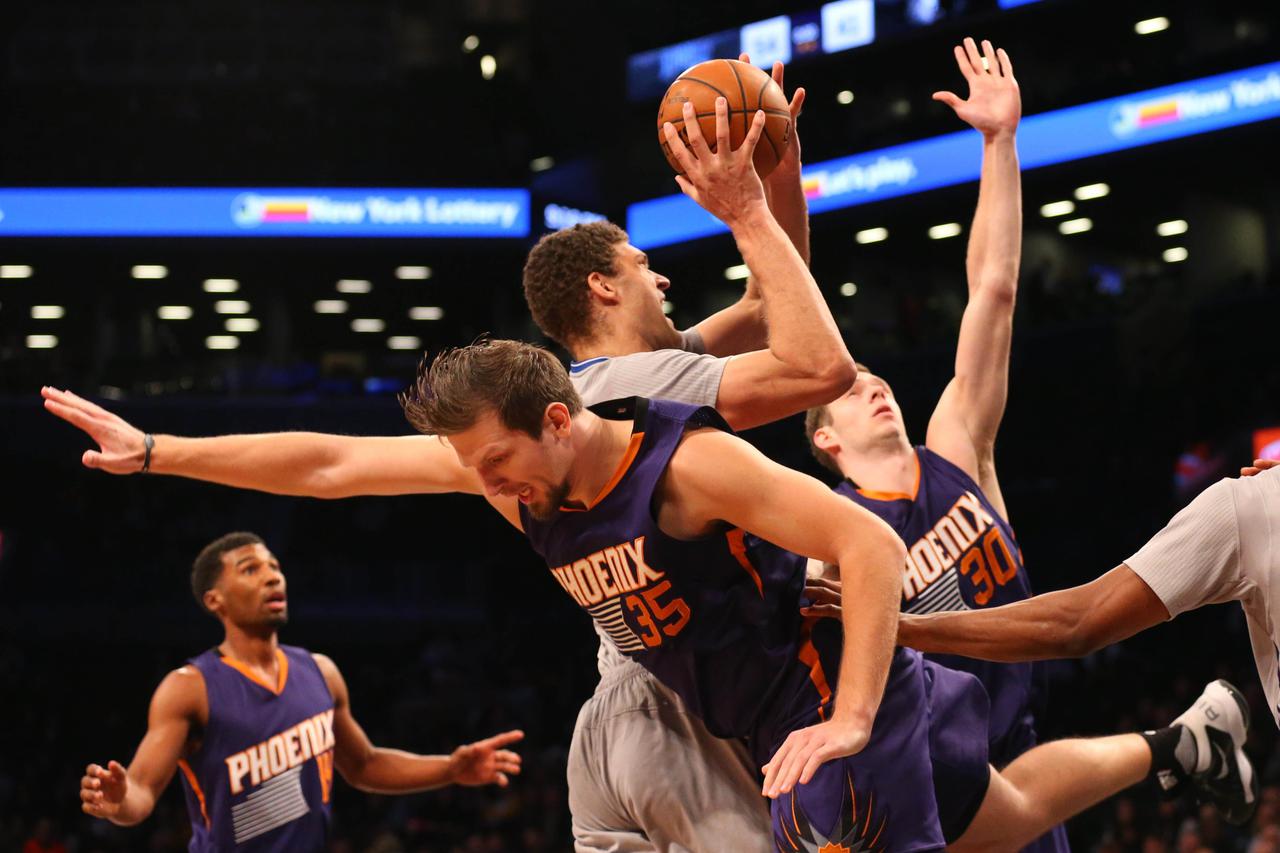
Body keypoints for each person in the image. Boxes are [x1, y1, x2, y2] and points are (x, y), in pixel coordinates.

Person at [47, 58, 848, 853]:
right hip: (685, 711)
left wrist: (159, 449)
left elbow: (331, 463)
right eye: (644, 268)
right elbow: (807, 347)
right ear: (605, 288)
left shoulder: (578, 399)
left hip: (610, 728)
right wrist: (762, 186)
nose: (664, 278)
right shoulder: (663, 385)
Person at [387, 338, 1255, 850]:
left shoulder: (691, 464)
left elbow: (871, 541)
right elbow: (331, 465)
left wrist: (850, 718)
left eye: (493, 463)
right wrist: (241, 456)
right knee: (1008, 812)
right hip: (860, 690)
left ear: (554, 421)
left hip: (829, 718)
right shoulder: (528, 491)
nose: (486, 483)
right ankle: (1178, 740)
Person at [801, 39, 1065, 850]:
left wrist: (999, 143)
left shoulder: (957, 443)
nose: (872, 386)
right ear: (824, 439)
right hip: (927, 797)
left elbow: (994, 288)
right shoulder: (823, 537)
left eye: (874, 377)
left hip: (1020, 755)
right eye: (848, 389)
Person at [79, 532, 523, 849]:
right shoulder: (188, 688)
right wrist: (116, 803)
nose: (273, 578)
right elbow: (139, 791)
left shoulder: (320, 671)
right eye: (251, 570)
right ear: (215, 600)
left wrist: (450, 768)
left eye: (275, 567)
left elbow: (363, 765)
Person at [895, 460, 1279, 769]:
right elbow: (1078, 623)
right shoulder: (1251, 505)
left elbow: (1077, 623)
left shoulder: (1251, 504)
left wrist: (898, 626)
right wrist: (900, 626)